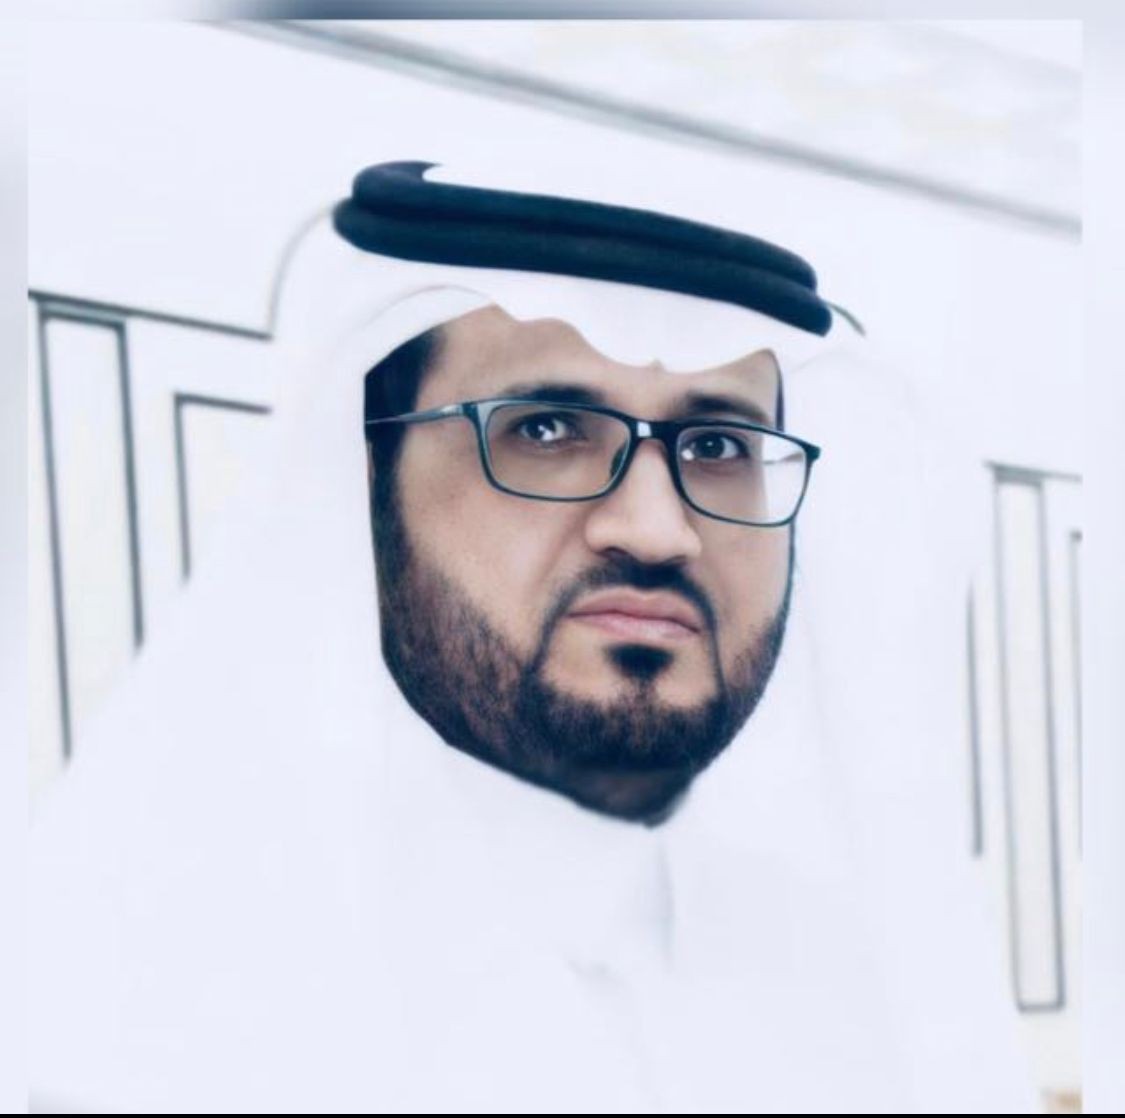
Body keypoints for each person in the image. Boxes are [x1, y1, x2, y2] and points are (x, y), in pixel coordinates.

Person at [29, 160, 1039, 1112]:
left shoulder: (867, 986)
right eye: (546, 429)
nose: (657, 528)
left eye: (718, 444)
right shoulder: (152, 1009)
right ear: (362, 493)